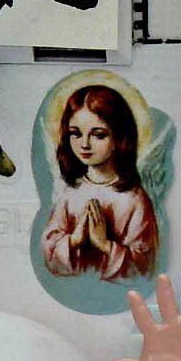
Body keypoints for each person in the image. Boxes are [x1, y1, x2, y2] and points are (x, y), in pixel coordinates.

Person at [40, 84, 158, 281]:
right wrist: (74, 240)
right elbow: (49, 251)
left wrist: (105, 245)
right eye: (76, 133)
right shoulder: (71, 192)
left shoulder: (134, 200)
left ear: (119, 138)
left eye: (98, 135)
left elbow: (144, 269)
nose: (84, 144)